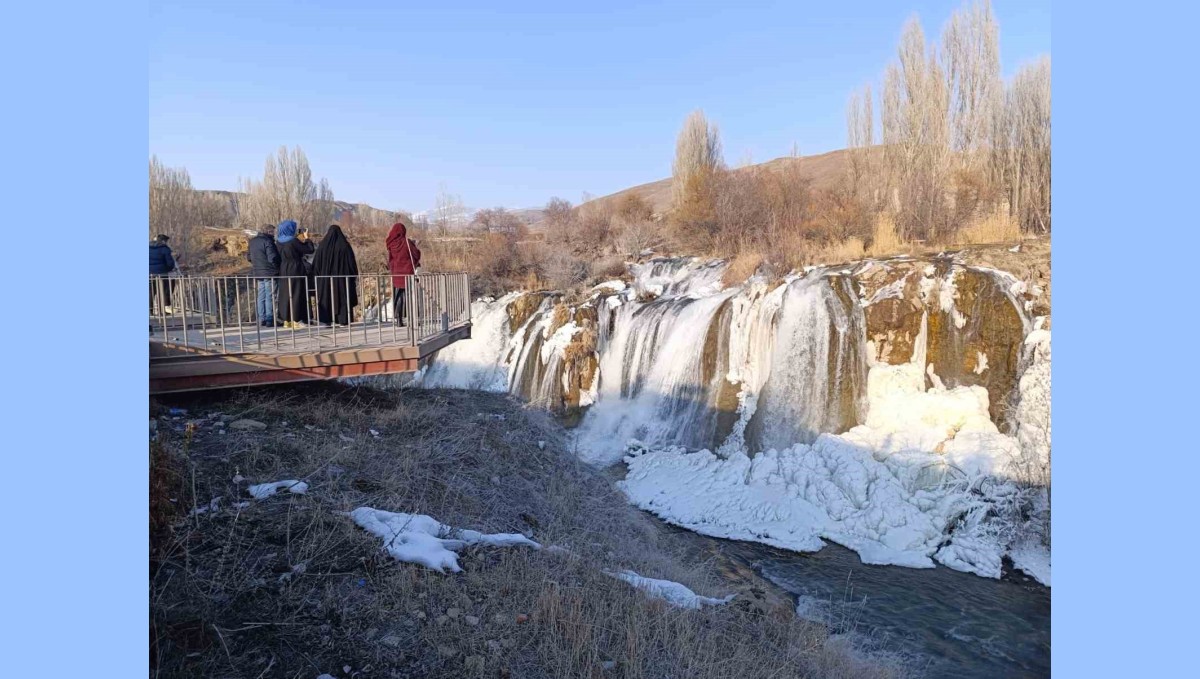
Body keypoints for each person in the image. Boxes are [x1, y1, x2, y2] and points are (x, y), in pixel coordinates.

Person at [312, 225, 360, 325]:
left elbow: (316, 265)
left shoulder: (322, 246)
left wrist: (318, 279)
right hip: (342, 281)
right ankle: (343, 320)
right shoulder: (345, 246)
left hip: (325, 281)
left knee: (326, 298)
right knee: (343, 299)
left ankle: (326, 321)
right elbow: (352, 264)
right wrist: (352, 276)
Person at [275, 220, 313, 328]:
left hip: (283, 269)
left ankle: (286, 319)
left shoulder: (278, 242)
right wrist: (307, 238)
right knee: (297, 293)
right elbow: (309, 250)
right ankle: (297, 319)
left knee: (285, 294)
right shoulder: (293, 241)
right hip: (295, 268)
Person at [386, 220, 422, 326]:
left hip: (396, 274)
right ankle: (412, 320)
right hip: (407, 273)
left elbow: (390, 260)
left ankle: (399, 320)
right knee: (410, 296)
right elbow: (416, 254)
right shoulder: (407, 242)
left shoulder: (391, 244)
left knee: (398, 297)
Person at [246, 223, 280, 326]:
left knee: (261, 296)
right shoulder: (268, 241)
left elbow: (249, 257)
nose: (274, 234)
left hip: (258, 272)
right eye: (273, 232)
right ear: (269, 232)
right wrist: (278, 266)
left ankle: (261, 318)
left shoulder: (252, 242)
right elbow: (272, 258)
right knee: (270, 295)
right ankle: (270, 319)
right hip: (269, 272)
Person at [149, 234, 177, 314]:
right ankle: (163, 311)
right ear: (163, 241)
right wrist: (168, 269)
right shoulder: (165, 249)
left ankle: (149, 311)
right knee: (163, 291)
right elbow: (170, 263)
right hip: (162, 273)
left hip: (149, 274)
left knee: (151, 291)